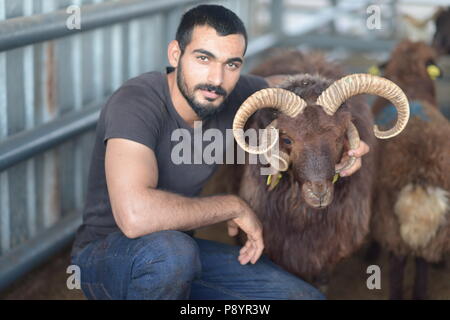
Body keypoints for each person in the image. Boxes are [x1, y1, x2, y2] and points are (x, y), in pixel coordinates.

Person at [70, 4, 370, 300]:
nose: (216, 78)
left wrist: (339, 136)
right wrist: (234, 206)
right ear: (176, 54)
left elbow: (294, 89)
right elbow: (135, 217)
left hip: (179, 253)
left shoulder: (233, 94)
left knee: (303, 298)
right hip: (110, 256)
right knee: (171, 255)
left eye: (232, 64)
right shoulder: (136, 102)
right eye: (204, 58)